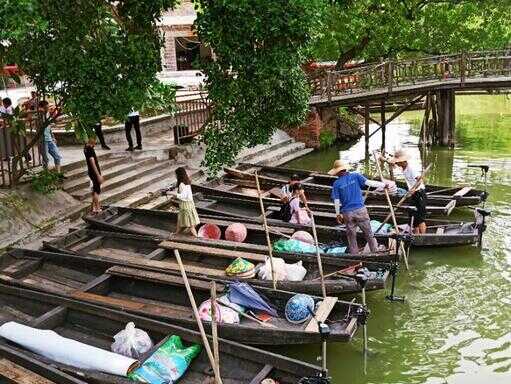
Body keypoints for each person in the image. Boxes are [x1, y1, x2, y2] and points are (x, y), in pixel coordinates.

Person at [328, 159, 386, 254]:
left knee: (351, 237)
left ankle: (355, 255)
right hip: (360, 210)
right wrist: (383, 185)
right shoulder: (355, 175)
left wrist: (338, 214)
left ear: (337, 172)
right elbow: (369, 183)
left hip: (347, 213)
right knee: (369, 234)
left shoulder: (336, 184)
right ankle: (375, 252)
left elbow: (336, 201)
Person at [388, 149, 427, 234]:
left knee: (420, 218)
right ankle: (416, 235)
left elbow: (420, 180)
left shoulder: (411, 169)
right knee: (412, 214)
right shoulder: (403, 168)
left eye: (398, 162)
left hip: (419, 193)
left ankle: (423, 237)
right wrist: (390, 167)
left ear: (402, 161)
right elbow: (391, 167)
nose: (396, 163)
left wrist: (413, 189)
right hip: (413, 194)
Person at [173, 167, 200, 236]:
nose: (175, 176)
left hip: (185, 205)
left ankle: (197, 238)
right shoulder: (187, 182)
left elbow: (183, 196)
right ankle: (176, 233)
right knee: (180, 219)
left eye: (176, 174)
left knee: (191, 225)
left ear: (179, 175)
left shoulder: (181, 184)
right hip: (190, 204)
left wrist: (174, 194)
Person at [39, 100, 63, 174]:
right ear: (41, 108)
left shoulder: (48, 114)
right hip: (43, 140)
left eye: (48, 107)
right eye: (46, 107)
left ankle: (58, 174)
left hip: (50, 139)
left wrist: (53, 137)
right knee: (46, 159)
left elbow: (49, 128)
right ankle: (46, 175)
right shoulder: (39, 116)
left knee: (57, 156)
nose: (47, 109)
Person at [84, 136, 104, 213]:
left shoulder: (86, 147)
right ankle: (97, 208)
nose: (95, 142)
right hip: (94, 172)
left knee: (94, 189)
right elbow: (92, 162)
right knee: (96, 190)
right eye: (94, 140)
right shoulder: (90, 149)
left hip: (91, 171)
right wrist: (98, 175)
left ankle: (93, 207)